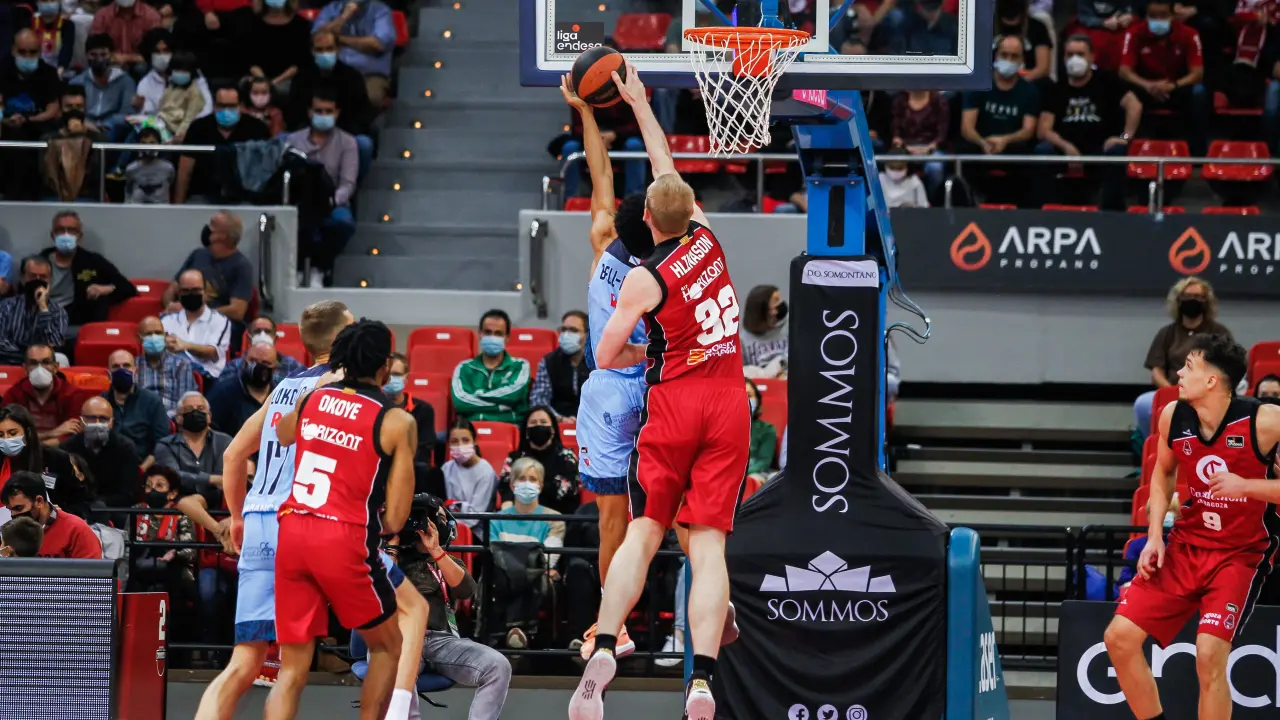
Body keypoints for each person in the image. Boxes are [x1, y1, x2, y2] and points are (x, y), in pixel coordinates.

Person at [570, 64, 749, 720]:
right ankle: (701, 679)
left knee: (644, 531)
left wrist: (649, 350)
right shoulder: (709, 238)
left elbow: (603, 354)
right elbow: (664, 164)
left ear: (647, 218)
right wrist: (643, 103)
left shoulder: (643, 279)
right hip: (727, 401)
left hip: (672, 401)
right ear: (687, 209)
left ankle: (606, 644)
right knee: (708, 547)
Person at [188, 300, 352, 720]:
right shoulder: (342, 384)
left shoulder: (282, 389)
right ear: (341, 337)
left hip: (260, 520)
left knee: (245, 660)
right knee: (293, 667)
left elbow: (232, 457)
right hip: (300, 523)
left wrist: (237, 517)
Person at [1104, 334, 1280, 720]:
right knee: (1119, 638)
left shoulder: (1265, 421)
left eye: (1188, 367)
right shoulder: (1173, 415)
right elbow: (1162, 474)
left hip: (1240, 554)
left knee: (1209, 654)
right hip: (1187, 545)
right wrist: (1154, 536)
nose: (1179, 374)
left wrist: (1246, 486)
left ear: (1212, 380)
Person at [269, 319, 417, 720]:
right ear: (385, 365)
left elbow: (283, 434)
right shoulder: (397, 421)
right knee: (388, 646)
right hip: (342, 537)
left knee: (291, 669)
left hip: (293, 531)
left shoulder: (313, 397)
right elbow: (396, 518)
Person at [559, 73, 650, 660]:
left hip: (613, 389)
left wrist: (585, 112)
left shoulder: (601, 240)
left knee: (614, 516)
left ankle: (608, 626)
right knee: (667, 513)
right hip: (657, 385)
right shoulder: (674, 257)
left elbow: (601, 174)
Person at [393, 497, 511, 719]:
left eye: (435, 518)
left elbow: (466, 590)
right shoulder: (387, 558)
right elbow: (378, 590)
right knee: (393, 663)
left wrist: (436, 550)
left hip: (440, 641)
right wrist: (391, 546)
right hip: (397, 638)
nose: (425, 524)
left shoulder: (446, 561)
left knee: (498, 665)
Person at [1034, 35, 1142, 210]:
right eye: (1070, 55)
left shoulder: (1107, 81)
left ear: (1092, 57)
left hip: (1100, 150)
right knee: (1042, 150)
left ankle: (1113, 213)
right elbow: (1043, 130)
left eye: (1080, 54)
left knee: (1117, 151)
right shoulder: (1056, 88)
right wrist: (1066, 147)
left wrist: (1125, 136)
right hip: (1066, 152)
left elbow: (1135, 106)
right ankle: (1046, 210)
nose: (1074, 59)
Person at [1135, 277, 1232, 440]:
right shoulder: (1167, 333)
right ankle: (1153, 448)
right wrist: (1171, 391)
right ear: (1178, 301)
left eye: (1198, 297)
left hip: (1208, 394)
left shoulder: (1219, 332)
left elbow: (1228, 368)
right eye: (1187, 296)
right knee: (1142, 405)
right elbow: (1156, 371)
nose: (1192, 300)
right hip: (1173, 391)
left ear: (1206, 301)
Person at [285, 87, 358, 289]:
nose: (323, 115)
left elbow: (348, 183)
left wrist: (331, 201)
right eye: (318, 111)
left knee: (343, 223)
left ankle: (320, 267)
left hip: (332, 201)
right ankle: (297, 269)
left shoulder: (348, 142)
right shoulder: (293, 140)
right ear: (310, 112)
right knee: (292, 222)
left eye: (328, 111)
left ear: (337, 113)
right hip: (299, 200)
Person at [490, 457, 565, 649]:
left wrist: (519, 560)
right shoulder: (495, 519)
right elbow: (495, 556)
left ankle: (515, 632)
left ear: (540, 486)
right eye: (522, 478)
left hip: (536, 576)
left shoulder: (554, 519)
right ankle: (518, 632)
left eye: (532, 479)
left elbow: (549, 558)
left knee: (531, 575)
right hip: (504, 576)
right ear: (512, 485)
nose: (527, 483)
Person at [1118, 0, 1208, 155]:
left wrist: (1172, 85)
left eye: (1163, 15)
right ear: (1145, 16)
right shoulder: (1134, 33)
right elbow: (1124, 71)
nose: (1158, 20)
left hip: (1176, 87)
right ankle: (1124, 142)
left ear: (1173, 15)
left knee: (1199, 92)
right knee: (1123, 93)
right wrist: (1148, 85)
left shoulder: (1189, 34)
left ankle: (1197, 154)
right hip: (1145, 87)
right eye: (1153, 16)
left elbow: (1197, 73)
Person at [40, 210, 138, 331]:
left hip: (78, 327)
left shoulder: (92, 261)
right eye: (60, 230)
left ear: (79, 237)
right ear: (52, 235)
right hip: (44, 323)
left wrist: (107, 288)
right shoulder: (39, 262)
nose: (66, 235)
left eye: (72, 230)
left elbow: (128, 288)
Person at [165, 210, 255, 326]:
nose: (207, 228)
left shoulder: (241, 266)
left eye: (213, 225)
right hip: (183, 320)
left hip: (217, 324)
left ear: (223, 236)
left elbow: (237, 311)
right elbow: (171, 290)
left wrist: (199, 313)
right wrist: (170, 306)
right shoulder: (198, 255)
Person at [59, 395, 142, 513]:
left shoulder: (126, 448)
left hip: (114, 511)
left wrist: (99, 504)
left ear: (112, 422)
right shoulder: (67, 448)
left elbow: (129, 493)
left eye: (103, 419)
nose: (97, 423)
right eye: (91, 418)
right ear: (81, 421)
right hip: (76, 510)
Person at [450, 309, 531, 424]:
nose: (492, 337)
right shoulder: (464, 368)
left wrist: (477, 396)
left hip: (509, 428)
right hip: (471, 429)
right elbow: (460, 403)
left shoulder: (520, 366)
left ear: (507, 338)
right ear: (480, 334)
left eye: (498, 334)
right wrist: (499, 407)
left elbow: (513, 396)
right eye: (488, 332)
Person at [154, 391, 232, 506]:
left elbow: (223, 480)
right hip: (176, 505)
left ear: (209, 416)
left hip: (216, 504)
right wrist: (209, 479)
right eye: (188, 409)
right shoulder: (165, 445)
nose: (195, 413)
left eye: (200, 409)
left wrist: (192, 479)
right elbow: (172, 478)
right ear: (178, 418)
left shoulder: (224, 441)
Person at [498, 406, 580, 515]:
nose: (538, 425)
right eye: (533, 422)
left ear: (553, 430)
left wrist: (531, 486)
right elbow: (505, 487)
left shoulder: (567, 456)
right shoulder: (515, 458)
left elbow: (570, 489)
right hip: (520, 515)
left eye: (543, 422)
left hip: (559, 515)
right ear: (526, 431)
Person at [129, 464, 196, 596]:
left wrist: (175, 554)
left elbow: (191, 552)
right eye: (148, 486)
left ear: (172, 493)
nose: (152, 490)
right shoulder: (136, 511)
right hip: (141, 568)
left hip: (174, 570)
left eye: (159, 485)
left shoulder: (181, 514)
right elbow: (126, 548)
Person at [1, 471, 102, 558]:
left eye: (18, 508)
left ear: (39, 501)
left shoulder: (77, 530)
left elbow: (91, 572)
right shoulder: (10, 534)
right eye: (10, 510)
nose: (14, 515)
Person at [161, 269, 233, 382]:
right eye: (185, 291)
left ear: (205, 292)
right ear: (179, 293)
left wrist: (185, 346)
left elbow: (213, 352)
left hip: (207, 378)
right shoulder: (166, 320)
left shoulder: (220, 320)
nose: (191, 294)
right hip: (172, 376)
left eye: (196, 290)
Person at [2, 343, 80, 443]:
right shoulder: (14, 394)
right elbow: (9, 437)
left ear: (55, 367)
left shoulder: (72, 394)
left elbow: (72, 436)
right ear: (25, 368)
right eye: (33, 363)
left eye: (46, 362)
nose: (40, 368)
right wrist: (53, 433)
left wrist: (31, 442)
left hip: (60, 451)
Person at [103, 348, 170, 465]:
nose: (122, 370)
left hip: (143, 466)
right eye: (116, 367)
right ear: (109, 374)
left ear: (136, 371)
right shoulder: (100, 402)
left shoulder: (152, 401)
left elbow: (162, 443)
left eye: (126, 366)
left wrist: (142, 469)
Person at [0, 256, 68, 365]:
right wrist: (29, 356)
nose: (37, 280)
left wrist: (43, 309)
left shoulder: (58, 312)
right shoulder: (6, 306)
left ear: (50, 280)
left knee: (61, 358)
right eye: (32, 276)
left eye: (43, 277)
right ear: (23, 278)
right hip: (10, 361)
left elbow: (54, 343)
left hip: (43, 364)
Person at [70, 33, 136, 140]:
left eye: (103, 55)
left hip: (113, 131)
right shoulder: (77, 82)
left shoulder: (125, 81)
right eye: (93, 55)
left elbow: (128, 114)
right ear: (86, 55)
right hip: (84, 129)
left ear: (112, 55)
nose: (99, 59)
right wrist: (85, 124)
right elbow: (72, 111)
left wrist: (108, 124)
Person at [528, 310, 590, 421]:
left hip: (592, 422)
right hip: (557, 423)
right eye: (564, 330)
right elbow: (538, 399)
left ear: (587, 335)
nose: (566, 335)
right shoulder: (549, 361)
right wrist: (559, 419)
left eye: (573, 330)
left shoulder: (598, 362)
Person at [205, 339, 276, 434]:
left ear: (275, 368)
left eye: (265, 363)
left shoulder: (282, 396)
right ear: (243, 361)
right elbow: (209, 432)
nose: (257, 366)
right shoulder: (222, 393)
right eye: (252, 360)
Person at [440, 419, 497, 536]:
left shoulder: (486, 471)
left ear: (475, 441)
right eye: (454, 441)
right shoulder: (446, 468)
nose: (460, 445)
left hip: (476, 534)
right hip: (449, 528)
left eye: (465, 440)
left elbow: (474, 517)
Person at [135, 314, 198, 417]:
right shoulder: (134, 366)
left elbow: (185, 403)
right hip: (140, 419)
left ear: (165, 336)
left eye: (158, 333)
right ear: (140, 338)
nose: (154, 337)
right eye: (148, 334)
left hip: (171, 419)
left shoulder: (181, 365)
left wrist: (163, 418)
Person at [381, 352, 435, 464]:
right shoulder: (373, 406)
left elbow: (423, 452)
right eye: (387, 374)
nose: (390, 379)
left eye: (396, 374)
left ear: (406, 378)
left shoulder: (423, 410)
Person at [738, 284, 788, 379]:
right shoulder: (743, 340)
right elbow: (741, 374)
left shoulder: (789, 326)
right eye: (776, 301)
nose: (781, 304)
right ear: (762, 308)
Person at [744, 380, 777, 486]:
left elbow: (764, 461)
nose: (745, 400)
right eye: (740, 396)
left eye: (749, 396)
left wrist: (743, 474)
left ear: (757, 400)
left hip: (754, 474)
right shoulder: (721, 428)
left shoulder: (767, 429)